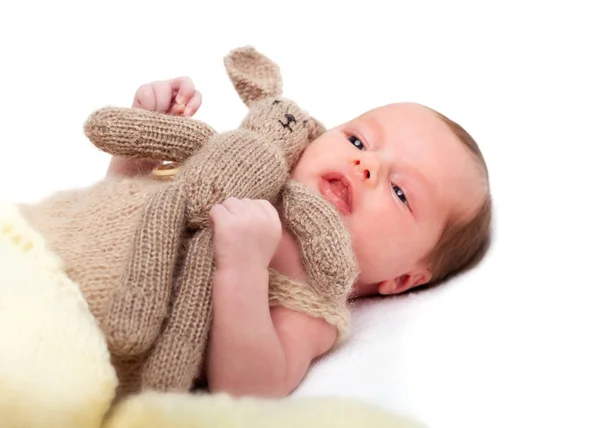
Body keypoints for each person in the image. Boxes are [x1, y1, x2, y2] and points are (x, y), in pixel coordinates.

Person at [107, 76, 492, 398]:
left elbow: (251, 388)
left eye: (400, 192)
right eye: (357, 142)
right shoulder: (255, 167)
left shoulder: (311, 300)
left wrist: (245, 270)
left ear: (403, 280)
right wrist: (142, 140)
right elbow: (116, 213)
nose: (367, 164)